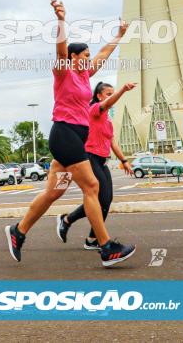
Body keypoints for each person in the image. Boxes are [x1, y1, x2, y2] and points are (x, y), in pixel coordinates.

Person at [5, 0, 136, 267]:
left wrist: (119, 36)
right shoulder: (63, 71)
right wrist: (61, 20)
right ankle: (106, 247)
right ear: (74, 58)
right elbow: (61, 50)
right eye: (84, 56)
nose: (89, 60)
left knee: (55, 191)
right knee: (92, 186)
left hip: (74, 137)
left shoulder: (84, 76)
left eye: (89, 56)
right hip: (64, 134)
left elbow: (103, 55)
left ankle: (18, 231)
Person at [57, 81, 135, 250]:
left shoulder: (107, 120)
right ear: (99, 96)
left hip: (102, 160)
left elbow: (112, 142)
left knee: (106, 200)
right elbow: (107, 103)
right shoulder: (94, 109)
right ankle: (94, 237)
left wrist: (124, 161)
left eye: (113, 93)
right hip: (89, 157)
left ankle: (89, 237)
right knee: (101, 198)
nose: (112, 97)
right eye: (109, 94)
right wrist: (122, 89)